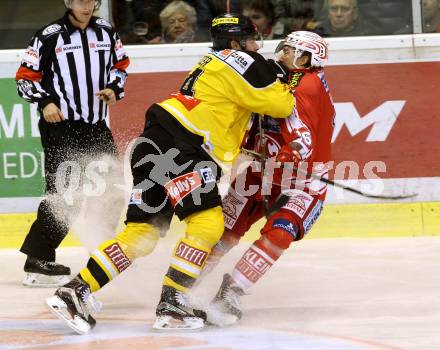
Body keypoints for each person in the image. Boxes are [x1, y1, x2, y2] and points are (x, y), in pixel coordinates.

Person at [45, 13, 295, 334]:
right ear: (236, 43)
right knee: (207, 223)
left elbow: (228, 111)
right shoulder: (242, 60)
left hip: (154, 144)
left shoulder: (214, 63)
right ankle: (173, 302)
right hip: (183, 148)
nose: (258, 46)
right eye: (251, 40)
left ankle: (74, 291)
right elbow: (281, 105)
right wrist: (285, 75)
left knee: (142, 235)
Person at [196, 31, 335, 325]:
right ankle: (183, 284)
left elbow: (303, 139)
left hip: (302, 180)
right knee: (225, 231)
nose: (281, 54)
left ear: (306, 58)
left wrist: (290, 153)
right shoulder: (281, 79)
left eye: (289, 50)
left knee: (280, 233)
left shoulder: (306, 85)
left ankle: (231, 291)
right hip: (261, 173)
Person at [15, 0, 130, 288]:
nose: (87, 5)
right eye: (80, 0)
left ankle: (101, 253)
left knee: (113, 189)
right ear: (68, 2)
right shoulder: (49, 35)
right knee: (66, 193)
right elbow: (25, 79)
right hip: (61, 126)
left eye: (92, 0)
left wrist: (114, 88)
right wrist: (45, 102)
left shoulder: (106, 32)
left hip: (96, 125)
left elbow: (121, 66)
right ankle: (38, 259)